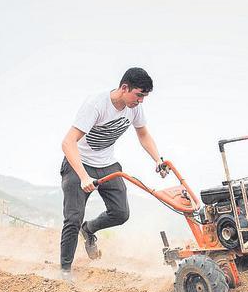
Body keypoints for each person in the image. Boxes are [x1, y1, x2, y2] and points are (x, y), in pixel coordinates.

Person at [59, 67, 167, 279]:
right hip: (79, 164)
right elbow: (68, 142)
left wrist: (158, 159)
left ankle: (89, 230)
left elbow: (143, 134)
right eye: (139, 95)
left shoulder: (134, 107)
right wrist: (83, 177)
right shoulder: (96, 105)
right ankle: (64, 272)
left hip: (107, 164)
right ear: (124, 88)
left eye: (145, 96)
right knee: (73, 218)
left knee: (120, 213)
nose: (141, 101)